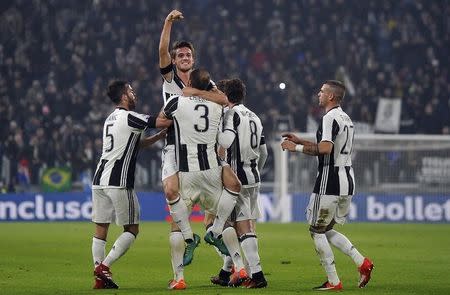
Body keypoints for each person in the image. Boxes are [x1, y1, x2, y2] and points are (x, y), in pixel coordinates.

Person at [158, 10, 240, 290]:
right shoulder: (170, 80)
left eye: (187, 55)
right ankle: (180, 272)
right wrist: (168, 22)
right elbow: (161, 52)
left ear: (192, 59)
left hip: (199, 150)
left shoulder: (201, 81)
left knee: (218, 207)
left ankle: (234, 264)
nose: (184, 58)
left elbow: (223, 99)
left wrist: (196, 93)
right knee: (171, 192)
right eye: (179, 55)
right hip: (173, 145)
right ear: (174, 59)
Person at [281, 80, 374, 291]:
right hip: (346, 180)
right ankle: (363, 263)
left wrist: (294, 147)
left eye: (322, 91)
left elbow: (324, 149)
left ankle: (333, 281)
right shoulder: (346, 118)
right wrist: (302, 140)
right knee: (327, 228)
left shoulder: (328, 118)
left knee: (316, 230)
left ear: (331, 96)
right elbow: (331, 145)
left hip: (329, 180)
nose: (318, 94)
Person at [91, 81, 171, 289]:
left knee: (101, 228)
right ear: (124, 96)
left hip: (99, 180)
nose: (134, 94)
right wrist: (171, 105)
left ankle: (99, 279)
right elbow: (163, 121)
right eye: (131, 91)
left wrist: (158, 137)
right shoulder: (130, 116)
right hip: (119, 180)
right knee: (132, 228)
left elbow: (136, 144)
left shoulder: (110, 119)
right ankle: (104, 267)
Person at [211, 78, 269, 288]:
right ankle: (226, 273)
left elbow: (223, 145)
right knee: (240, 226)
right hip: (253, 177)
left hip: (235, 180)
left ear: (226, 95)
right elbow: (264, 152)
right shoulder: (254, 116)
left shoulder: (229, 115)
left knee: (236, 227)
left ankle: (257, 275)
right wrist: (255, 171)